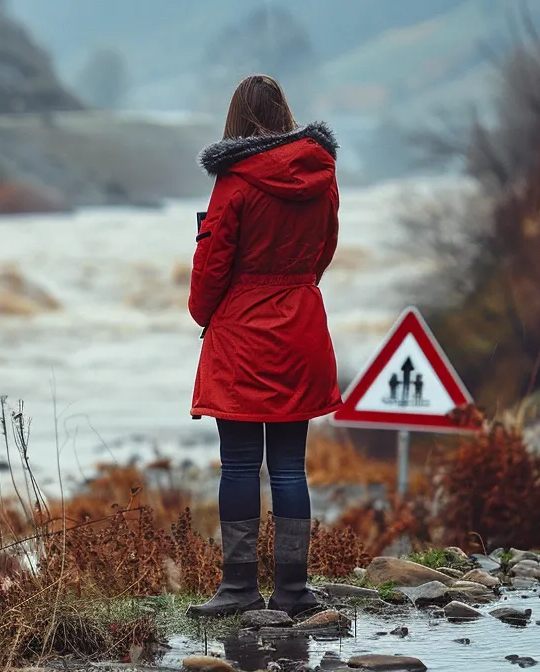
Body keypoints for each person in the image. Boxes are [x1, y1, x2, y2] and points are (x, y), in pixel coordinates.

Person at [186, 74, 341, 618]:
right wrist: (296, 286)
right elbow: (325, 251)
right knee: (290, 468)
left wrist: (208, 315)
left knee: (238, 466)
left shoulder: (233, 183)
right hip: (300, 328)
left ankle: (238, 589)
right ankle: (295, 592)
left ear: (236, 120)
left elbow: (209, 272)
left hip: (242, 338)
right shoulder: (322, 176)